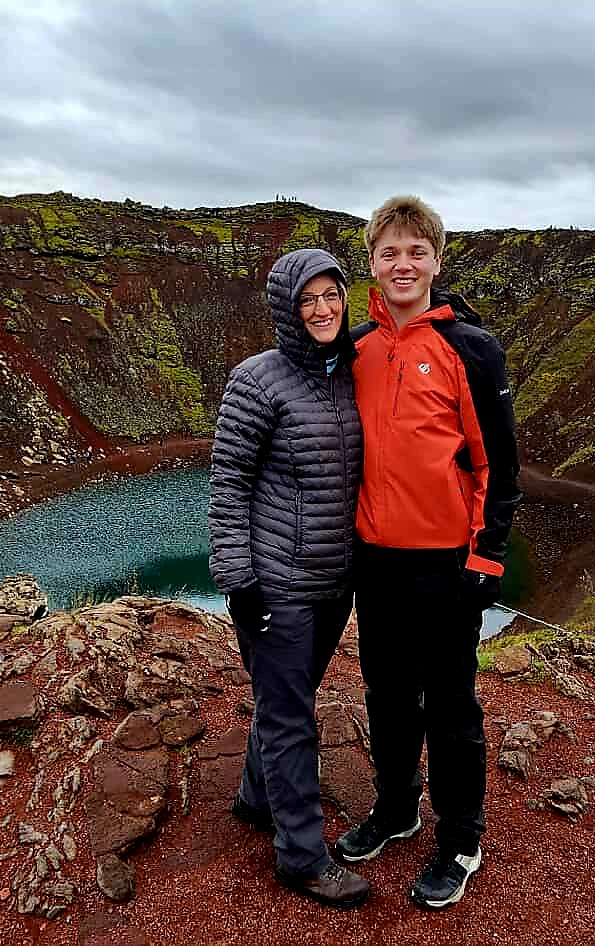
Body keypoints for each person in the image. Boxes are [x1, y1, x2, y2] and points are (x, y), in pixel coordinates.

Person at [334, 195, 522, 910]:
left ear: (437, 262)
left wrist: (486, 557)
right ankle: (396, 809)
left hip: (446, 563)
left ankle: (460, 840)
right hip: (375, 562)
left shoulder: (471, 348)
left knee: (449, 705)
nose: (403, 263)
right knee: (385, 695)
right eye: (389, 252)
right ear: (372, 266)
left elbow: (497, 467)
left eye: (417, 251)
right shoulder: (356, 348)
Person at [207, 247, 370, 907]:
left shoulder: (349, 373)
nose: (323, 309)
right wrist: (239, 583)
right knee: (292, 714)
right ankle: (301, 857)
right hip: (276, 583)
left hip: (335, 585)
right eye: (308, 298)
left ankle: (254, 798)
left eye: (331, 295)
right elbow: (228, 488)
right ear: (286, 307)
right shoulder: (258, 380)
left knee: (284, 698)